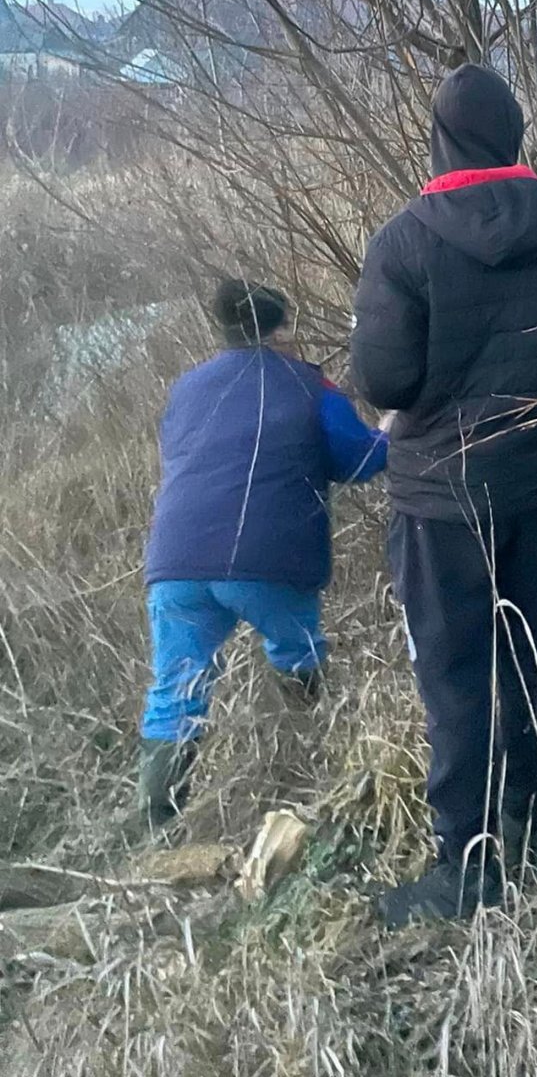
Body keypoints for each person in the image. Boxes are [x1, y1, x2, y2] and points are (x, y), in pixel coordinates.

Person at [351, 64, 537, 926]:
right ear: (514, 133)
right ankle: (532, 827)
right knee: (530, 655)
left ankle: (466, 864)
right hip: (534, 485)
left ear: (441, 137)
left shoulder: (403, 240)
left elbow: (384, 378)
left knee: (455, 675)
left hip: (438, 501)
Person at [139, 279, 387, 829]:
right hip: (266, 558)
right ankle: (310, 758)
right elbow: (357, 461)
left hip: (176, 561)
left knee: (176, 687)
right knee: (297, 648)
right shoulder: (309, 386)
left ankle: (160, 825)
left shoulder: (186, 389)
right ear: (280, 332)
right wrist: (390, 435)